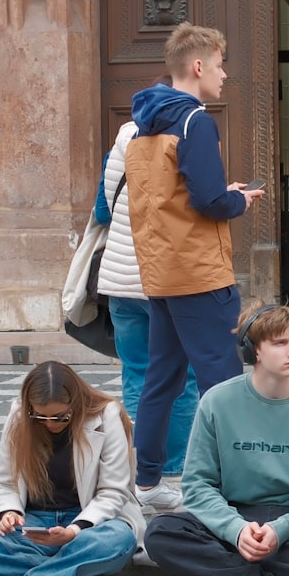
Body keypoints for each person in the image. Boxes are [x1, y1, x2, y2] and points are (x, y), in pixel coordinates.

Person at [125, 22, 264, 509]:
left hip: (162, 271)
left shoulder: (142, 125)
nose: (224, 75)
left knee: (160, 380)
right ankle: (233, 486)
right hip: (199, 272)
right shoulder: (195, 121)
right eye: (221, 66)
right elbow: (208, 201)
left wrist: (220, 194)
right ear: (199, 66)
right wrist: (238, 200)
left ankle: (146, 483)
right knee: (223, 383)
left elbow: (171, 197)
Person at [144, 301, 289, 576]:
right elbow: (197, 485)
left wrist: (282, 530)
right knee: (161, 534)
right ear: (253, 350)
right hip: (234, 514)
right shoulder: (217, 401)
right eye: (280, 343)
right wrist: (236, 530)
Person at [0, 361, 144, 576]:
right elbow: (5, 482)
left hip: (89, 524)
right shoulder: (19, 414)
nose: (50, 423)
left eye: (60, 416)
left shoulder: (107, 414)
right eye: (40, 417)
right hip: (33, 524)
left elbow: (113, 491)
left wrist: (74, 531)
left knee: (118, 539)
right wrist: (10, 512)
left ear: (75, 404)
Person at [94, 81, 200, 478]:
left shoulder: (123, 141)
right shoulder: (185, 137)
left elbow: (103, 210)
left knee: (137, 371)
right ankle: (173, 466)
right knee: (181, 376)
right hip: (166, 279)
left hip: (120, 279)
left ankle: (144, 464)